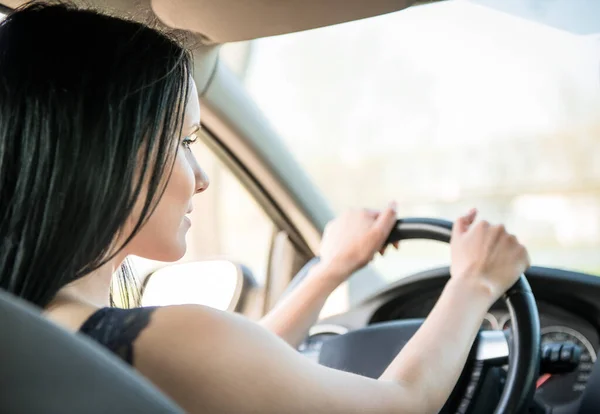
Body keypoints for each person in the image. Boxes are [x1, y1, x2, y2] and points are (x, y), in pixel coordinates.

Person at [0, 3, 530, 413]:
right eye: (185, 143)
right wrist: (475, 283)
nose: (202, 179)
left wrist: (328, 270)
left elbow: (234, 367)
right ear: (106, 152)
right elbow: (402, 404)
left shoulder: (35, 330)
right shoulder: (151, 339)